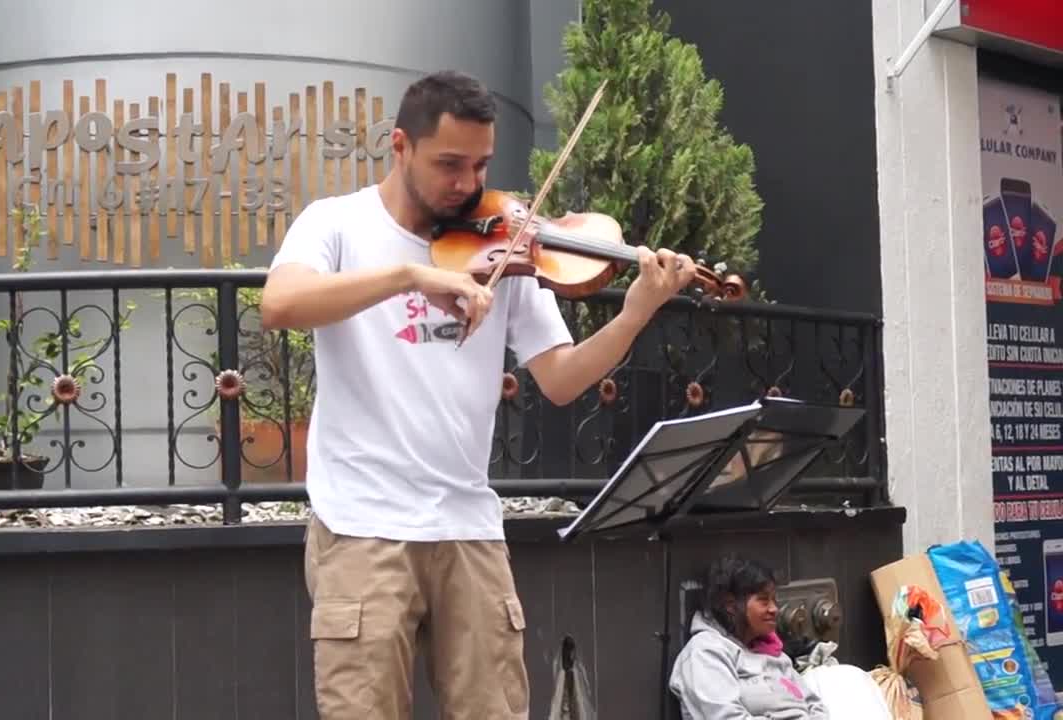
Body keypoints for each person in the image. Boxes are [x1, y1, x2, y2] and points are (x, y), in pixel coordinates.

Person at [260, 69, 696, 719]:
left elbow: (562, 377)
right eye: (449, 165)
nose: (468, 185)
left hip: (469, 529)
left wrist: (635, 312)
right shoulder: (336, 225)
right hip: (360, 528)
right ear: (400, 146)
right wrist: (410, 274)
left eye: (481, 165)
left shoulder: (506, 241)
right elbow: (281, 303)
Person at [668, 556, 829, 720]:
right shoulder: (705, 652)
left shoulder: (773, 653)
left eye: (774, 600)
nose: (774, 609)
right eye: (763, 601)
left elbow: (814, 704)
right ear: (730, 605)